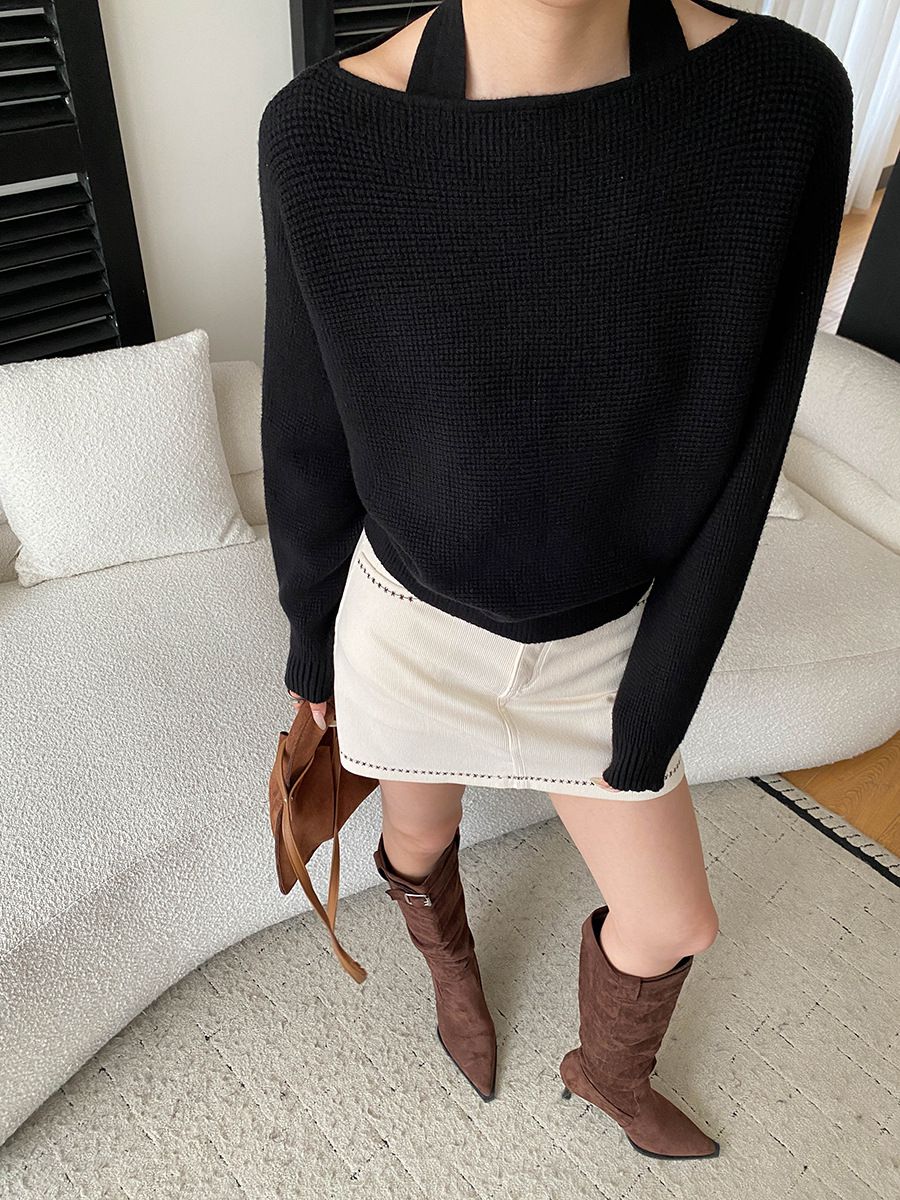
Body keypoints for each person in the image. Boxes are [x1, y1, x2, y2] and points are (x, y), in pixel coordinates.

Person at [259, 0, 853, 1161]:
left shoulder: (781, 101)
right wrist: (309, 640)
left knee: (674, 916)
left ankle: (606, 1070)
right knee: (418, 843)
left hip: (605, 642)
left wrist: (662, 696)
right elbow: (305, 422)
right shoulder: (321, 132)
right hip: (408, 629)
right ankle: (453, 976)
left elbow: (750, 446)